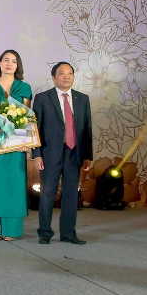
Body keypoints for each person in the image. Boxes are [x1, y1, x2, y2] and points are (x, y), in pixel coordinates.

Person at [32, 62, 93, 245]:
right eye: (62, 73)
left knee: (71, 194)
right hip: (50, 152)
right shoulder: (43, 98)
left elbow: (87, 129)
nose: (66, 77)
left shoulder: (82, 99)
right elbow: (36, 128)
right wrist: (37, 153)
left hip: (74, 152)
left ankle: (68, 233)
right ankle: (45, 232)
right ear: (53, 77)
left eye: (70, 73)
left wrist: (87, 156)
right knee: (47, 193)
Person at [0, 49, 32, 241]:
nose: (9, 64)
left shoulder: (24, 87)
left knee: (13, 185)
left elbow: (27, 117)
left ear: (18, 66)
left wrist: (26, 142)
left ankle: (11, 229)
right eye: (6, 60)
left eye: (14, 61)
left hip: (15, 143)